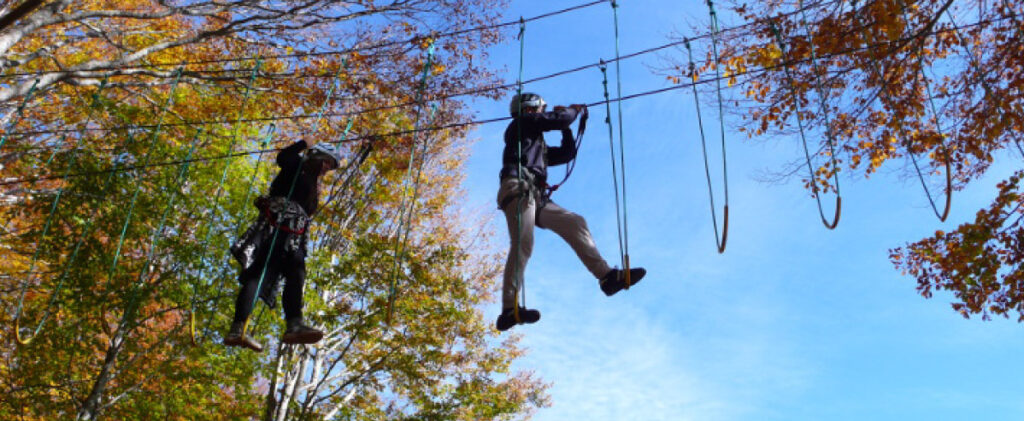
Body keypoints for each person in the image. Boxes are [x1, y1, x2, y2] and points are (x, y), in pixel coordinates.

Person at [496, 92, 646, 331]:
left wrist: (567, 130)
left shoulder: (535, 143)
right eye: (540, 109)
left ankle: (607, 277)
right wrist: (573, 110)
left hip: (534, 195)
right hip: (518, 188)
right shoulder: (521, 125)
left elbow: (567, 154)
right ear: (530, 109)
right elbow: (560, 119)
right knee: (523, 243)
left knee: (575, 222)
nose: (542, 113)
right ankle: (508, 308)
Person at [225, 139, 341, 351]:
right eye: (326, 162)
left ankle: (294, 324)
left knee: (297, 274)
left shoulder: (313, 182)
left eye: (330, 166)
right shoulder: (297, 165)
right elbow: (283, 157)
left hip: (294, 233)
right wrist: (303, 143)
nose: (326, 168)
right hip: (278, 226)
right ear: (315, 156)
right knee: (260, 273)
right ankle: (238, 328)